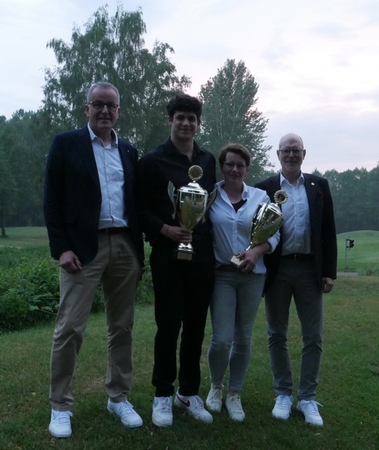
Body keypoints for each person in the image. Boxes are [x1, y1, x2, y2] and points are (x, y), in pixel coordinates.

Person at [43, 81, 145, 438]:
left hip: (124, 247)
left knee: (122, 327)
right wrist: (62, 248)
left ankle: (118, 397)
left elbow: (137, 202)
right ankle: (60, 406)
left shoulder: (129, 152)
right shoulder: (66, 144)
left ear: (119, 111)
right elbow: (52, 199)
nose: (104, 111)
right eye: (97, 104)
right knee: (70, 327)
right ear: (86, 108)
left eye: (111, 106)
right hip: (81, 250)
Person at [136, 93, 216, 427]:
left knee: (197, 326)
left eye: (191, 118)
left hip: (202, 255)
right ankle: (162, 394)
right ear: (169, 120)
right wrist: (164, 229)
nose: (186, 123)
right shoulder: (153, 161)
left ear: (198, 123)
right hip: (168, 255)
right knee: (168, 326)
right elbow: (137, 208)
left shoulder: (208, 161)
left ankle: (188, 392)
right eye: (179, 117)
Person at [255, 133, 337, 427]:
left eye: (296, 151)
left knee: (313, 336)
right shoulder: (264, 188)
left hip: (309, 270)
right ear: (278, 154)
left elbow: (328, 231)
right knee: (276, 334)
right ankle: (283, 394)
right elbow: (258, 232)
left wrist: (329, 271)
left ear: (304, 154)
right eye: (286, 151)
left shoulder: (318, 186)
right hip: (277, 270)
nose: (291, 155)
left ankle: (307, 398)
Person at [205, 143, 280, 422]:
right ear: (222, 166)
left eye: (240, 165)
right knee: (222, 339)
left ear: (247, 169)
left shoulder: (260, 196)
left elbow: (274, 235)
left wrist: (256, 252)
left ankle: (234, 393)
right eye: (229, 164)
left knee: (244, 338)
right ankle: (215, 387)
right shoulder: (211, 196)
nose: (234, 169)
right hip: (222, 275)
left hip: (253, 276)